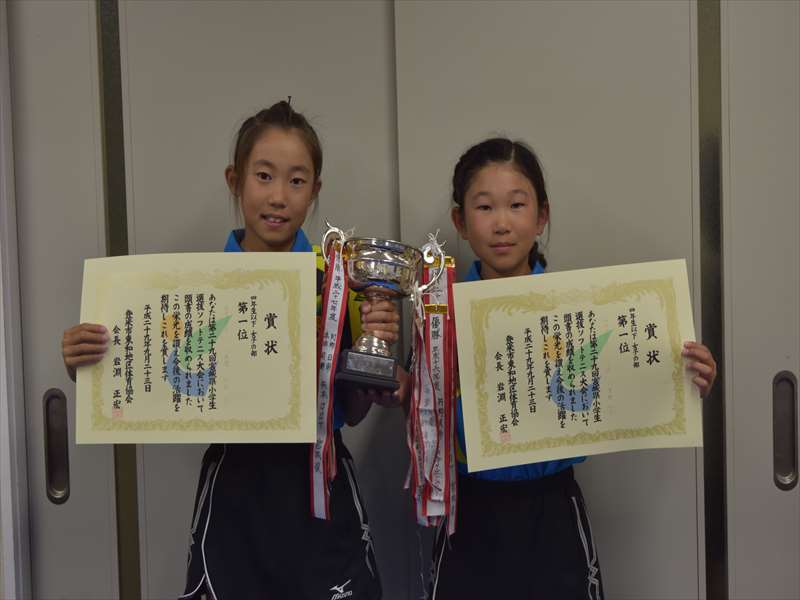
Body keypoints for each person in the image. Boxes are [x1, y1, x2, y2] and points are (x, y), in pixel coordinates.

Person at [61, 100, 404, 600]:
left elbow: (351, 412)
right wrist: (89, 362)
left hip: (321, 487)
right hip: (234, 495)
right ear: (235, 180)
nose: (278, 196)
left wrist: (376, 363)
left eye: (296, 181)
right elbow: (149, 378)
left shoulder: (338, 285)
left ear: (315, 190)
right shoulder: (194, 289)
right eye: (263, 176)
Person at [427, 137, 717, 599]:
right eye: (484, 207)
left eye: (516, 205)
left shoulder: (579, 312)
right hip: (470, 513)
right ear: (461, 221)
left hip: (553, 510)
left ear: (541, 215)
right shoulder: (440, 315)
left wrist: (684, 377)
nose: (502, 223)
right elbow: (424, 421)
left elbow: (625, 382)